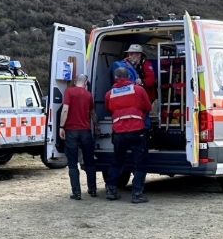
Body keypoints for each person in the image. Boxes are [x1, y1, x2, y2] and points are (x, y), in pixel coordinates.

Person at [105, 66, 153, 203]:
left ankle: (111, 190)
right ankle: (137, 194)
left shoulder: (110, 94)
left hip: (119, 131)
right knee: (140, 163)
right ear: (129, 77)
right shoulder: (138, 90)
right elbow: (148, 107)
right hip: (137, 130)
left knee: (117, 161)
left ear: (115, 78)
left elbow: (109, 108)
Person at [58, 74, 98, 200]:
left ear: (76, 81)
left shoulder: (69, 92)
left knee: (73, 163)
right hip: (85, 132)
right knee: (89, 162)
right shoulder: (89, 95)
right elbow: (92, 113)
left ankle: (77, 193)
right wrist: (97, 125)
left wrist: (61, 127)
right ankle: (92, 190)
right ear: (85, 83)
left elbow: (65, 110)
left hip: (71, 132)